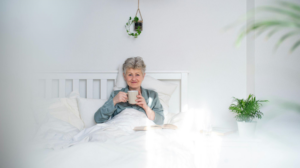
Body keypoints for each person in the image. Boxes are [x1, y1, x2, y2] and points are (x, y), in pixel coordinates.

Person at [94, 57, 164, 125]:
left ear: (143, 76)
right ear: (124, 76)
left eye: (137, 75)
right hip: (120, 129)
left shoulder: (152, 96)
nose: (133, 78)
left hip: (140, 130)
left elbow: (160, 121)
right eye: (130, 75)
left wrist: (145, 107)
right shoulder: (116, 95)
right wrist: (114, 101)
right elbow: (98, 119)